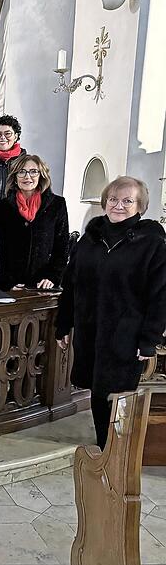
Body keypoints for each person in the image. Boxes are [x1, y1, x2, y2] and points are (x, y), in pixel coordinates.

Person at [56, 176, 166, 450]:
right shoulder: (90, 238)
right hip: (90, 329)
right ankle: (105, 448)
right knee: (97, 390)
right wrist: (64, 323)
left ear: (140, 205)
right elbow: (71, 283)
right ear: (105, 202)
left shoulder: (152, 242)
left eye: (128, 201)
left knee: (116, 394)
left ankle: (116, 454)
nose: (119, 205)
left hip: (126, 333)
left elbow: (160, 295)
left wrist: (149, 339)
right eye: (114, 199)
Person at [0, 155, 69, 290]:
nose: (27, 176)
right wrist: (6, 281)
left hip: (43, 285)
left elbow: (62, 247)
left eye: (33, 171)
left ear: (41, 175)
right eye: (21, 172)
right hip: (12, 286)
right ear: (15, 178)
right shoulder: (2, 207)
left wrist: (52, 276)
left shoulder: (57, 205)